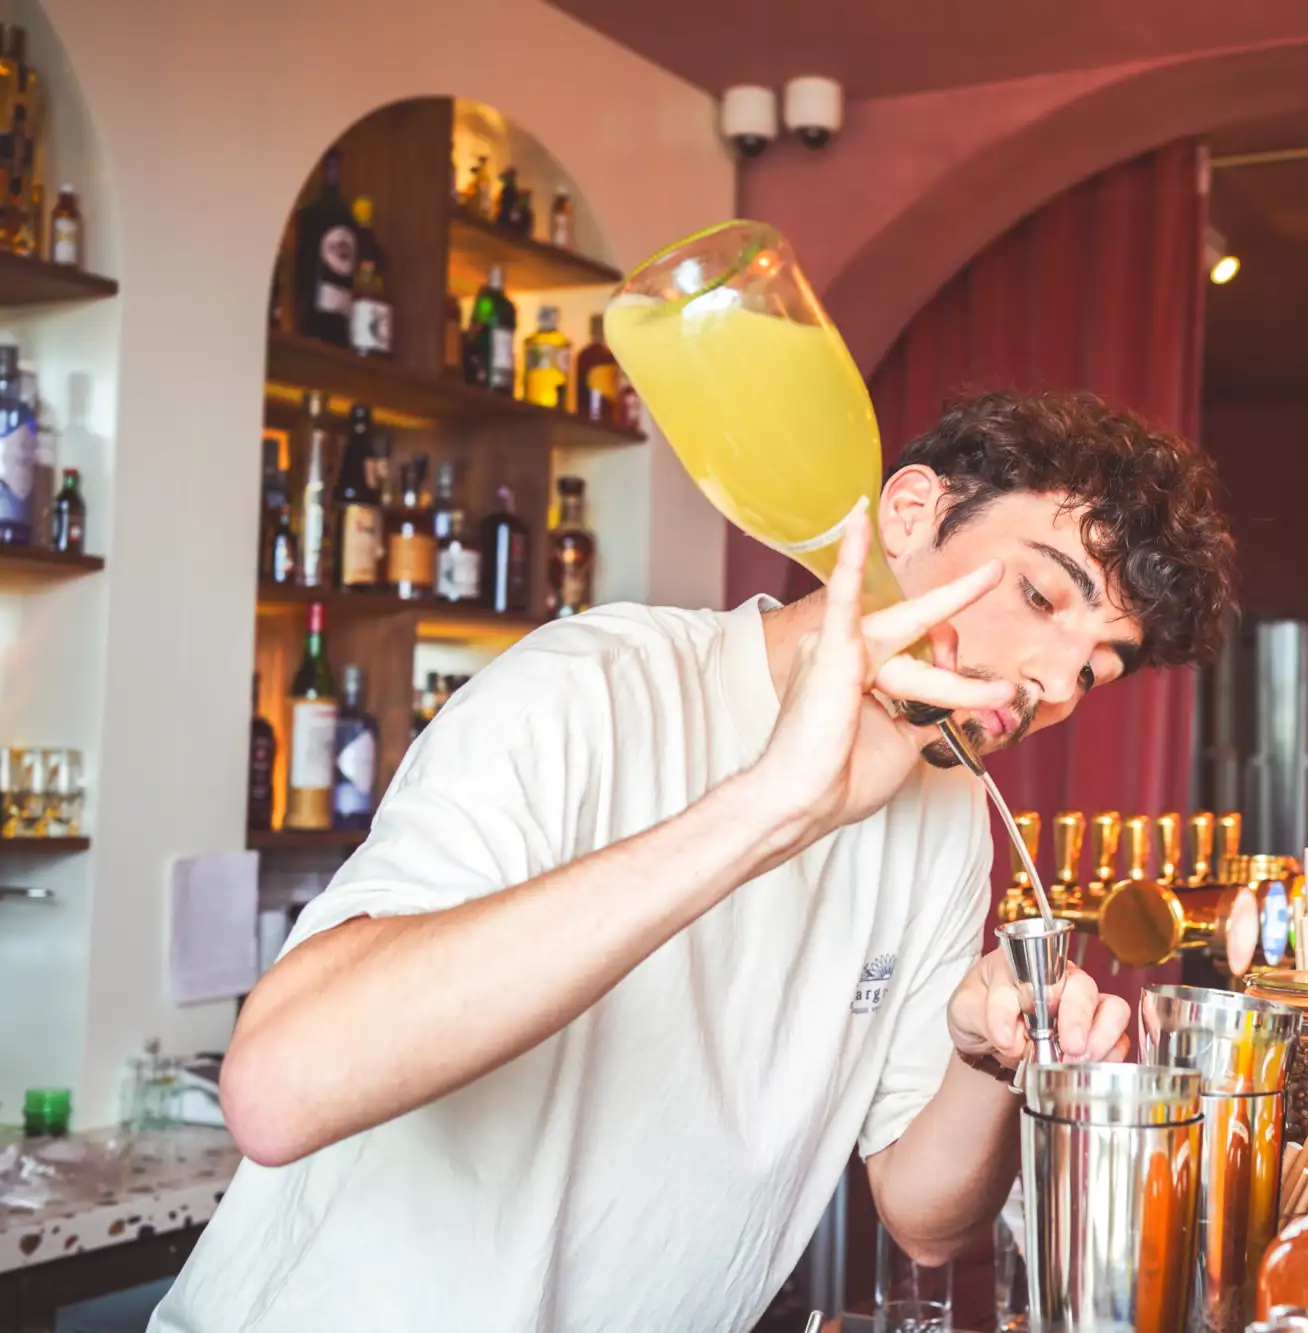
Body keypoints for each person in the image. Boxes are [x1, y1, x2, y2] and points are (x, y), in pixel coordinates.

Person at [152, 390, 1238, 1332]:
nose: (1051, 681)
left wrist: (981, 1055)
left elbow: (923, 1218)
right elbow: (278, 1091)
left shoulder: (947, 810)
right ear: (908, 513)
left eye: (1098, 666)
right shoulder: (592, 686)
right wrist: (772, 806)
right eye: (1042, 597)